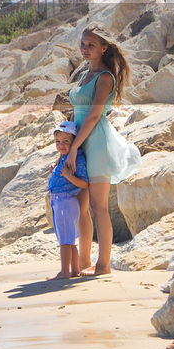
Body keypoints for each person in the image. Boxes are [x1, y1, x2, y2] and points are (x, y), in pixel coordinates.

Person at [66, 25, 142, 276]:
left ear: (103, 48)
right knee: (81, 205)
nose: (85, 50)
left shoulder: (105, 78)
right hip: (78, 141)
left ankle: (103, 266)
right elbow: (77, 113)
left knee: (98, 207)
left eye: (91, 45)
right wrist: (68, 143)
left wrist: (75, 147)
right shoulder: (84, 74)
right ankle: (84, 261)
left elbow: (95, 114)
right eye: (83, 45)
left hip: (96, 143)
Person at [47, 120, 88, 280]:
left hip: (65, 200)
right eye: (58, 142)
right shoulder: (64, 158)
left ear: (74, 141)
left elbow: (84, 183)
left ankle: (64, 272)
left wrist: (69, 176)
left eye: (66, 141)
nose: (61, 145)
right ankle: (75, 269)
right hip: (59, 201)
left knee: (65, 240)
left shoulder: (77, 158)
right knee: (69, 238)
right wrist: (55, 168)